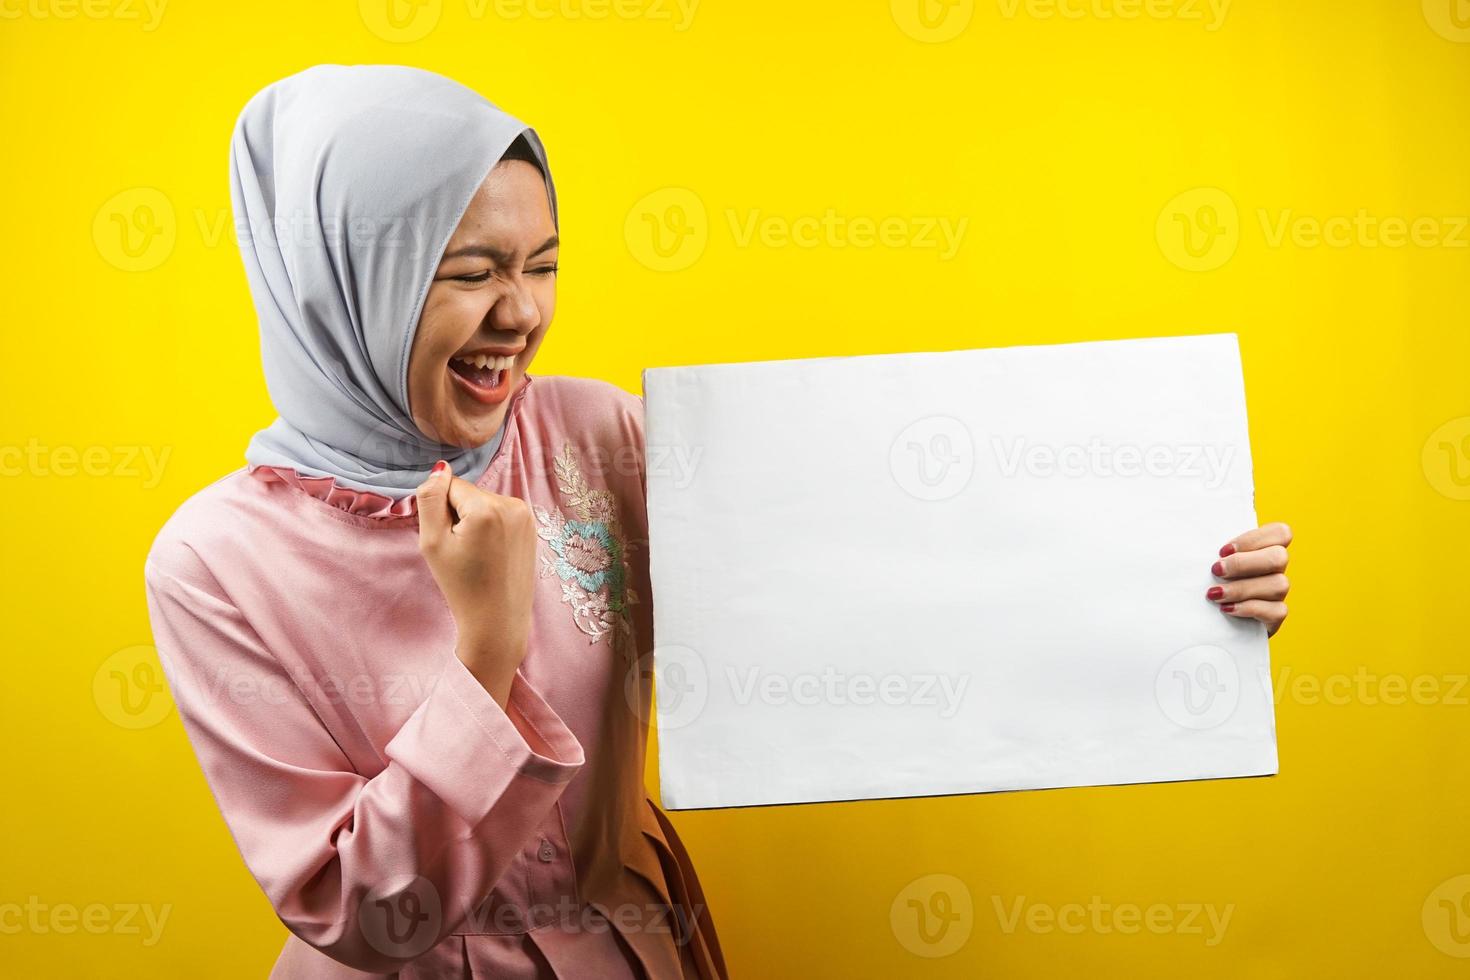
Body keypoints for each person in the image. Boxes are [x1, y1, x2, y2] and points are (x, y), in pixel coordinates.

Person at [144, 64, 728, 979]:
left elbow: (792, 595)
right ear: (348, 282)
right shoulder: (213, 562)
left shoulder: (600, 434)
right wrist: (487, 648)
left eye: (543, 265)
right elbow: (356, 911)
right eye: (472, 273)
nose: (523, 314)